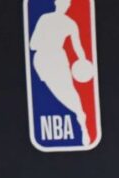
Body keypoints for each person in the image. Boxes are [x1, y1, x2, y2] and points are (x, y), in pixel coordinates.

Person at [29, 0, 92, 145]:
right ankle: (80, 116)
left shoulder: (69, 23)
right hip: (43, 60)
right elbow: (32, 44)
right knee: (53, 93)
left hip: (56, 59)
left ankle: (81, 120)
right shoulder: (46, 18)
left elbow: (78, 47)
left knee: (67, 91)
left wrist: (82, 61)